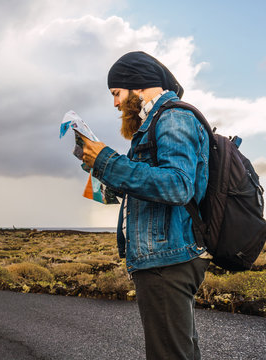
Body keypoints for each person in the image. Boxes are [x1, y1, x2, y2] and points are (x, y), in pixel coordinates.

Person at [80, 51, 211, 360]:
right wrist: (98, 168)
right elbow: (149, 188)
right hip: (165, 256)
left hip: (168, 259)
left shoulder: (173, 117)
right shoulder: (154, 123)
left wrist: (108, 162)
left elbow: (178, 185)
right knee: (179, 351)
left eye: (116, 93)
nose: (114, 103)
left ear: (137, 85)